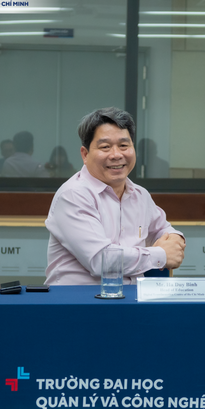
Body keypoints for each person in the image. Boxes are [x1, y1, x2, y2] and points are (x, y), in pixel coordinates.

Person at [45, 107, 185, 285]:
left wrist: (174, 240)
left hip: (131, 297)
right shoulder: (73, 195)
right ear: (85, 155)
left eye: (124, 145)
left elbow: (165, 230)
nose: (116, 155)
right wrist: (161, 255)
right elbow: (101, 260)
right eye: (105, 147)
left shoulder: (140, 195)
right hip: (79, 299)